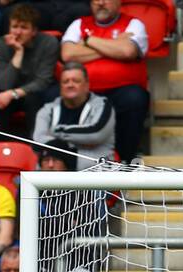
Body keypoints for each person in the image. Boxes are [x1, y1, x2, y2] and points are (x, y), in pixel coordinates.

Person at [59, 0, 151, 163]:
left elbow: (128, 51)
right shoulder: (78, 24)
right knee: (56, 94)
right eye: (96, 0)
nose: (101, 3)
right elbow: (68, 54)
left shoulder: (133, 24)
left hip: (122, 91)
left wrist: (88, 40)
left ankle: (125, 160)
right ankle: (68, 163)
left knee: (135, 98)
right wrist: (113, 46)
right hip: (85, 92)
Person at [33, 63, 116, 168]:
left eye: (76, 81)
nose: (70, 85)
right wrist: (79, 142)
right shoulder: (47, 110)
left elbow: (95, 134)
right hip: (54, 173)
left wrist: (56, 132)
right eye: (65, 81)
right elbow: (38, 142)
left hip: (93, 174)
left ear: (87, 85)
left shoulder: (102, 106)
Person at [0, 4, 60, 134]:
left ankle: (36, 149)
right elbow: (3, 84)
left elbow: (43, 81)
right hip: (8, 94)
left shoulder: (49, 43)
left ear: (34, 31)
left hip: (36, 93)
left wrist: (13, 93)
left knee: (33, 99)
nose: (17, 32)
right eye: (14, 27)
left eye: (24, 28)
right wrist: (18, 52)